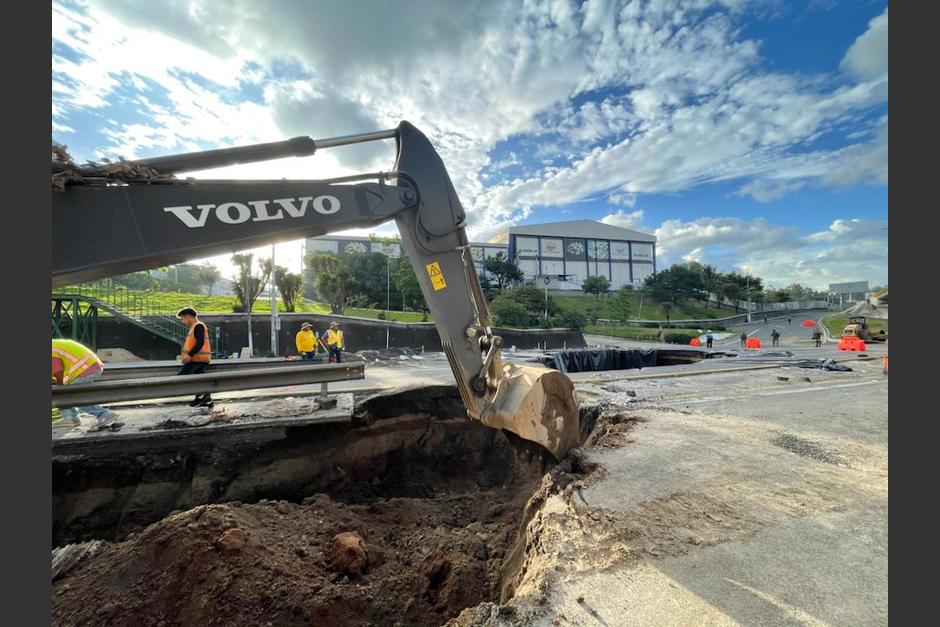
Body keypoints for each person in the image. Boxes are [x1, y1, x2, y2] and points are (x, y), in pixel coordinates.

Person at [52, 339, 122, 430]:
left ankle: (104, 414)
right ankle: (70, 419)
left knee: (76, 395)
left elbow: (58, 371)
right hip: (89, 366)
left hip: (84, 368)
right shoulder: (54, 345)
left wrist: (61, 386)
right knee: (66, 393)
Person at [176, 307, 213, 409]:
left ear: (188, 316)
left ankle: (201, 397)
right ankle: (205, 399)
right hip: (199, 358)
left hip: (197, 359)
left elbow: (200, 342)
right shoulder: (195, 327)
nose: (182, 321)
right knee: (199, 379)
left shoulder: (198, 326)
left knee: (181, 377)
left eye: (182, 318)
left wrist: (189, 355)